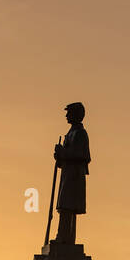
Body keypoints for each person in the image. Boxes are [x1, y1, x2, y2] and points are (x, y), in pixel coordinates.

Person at [53, 102, 90, 243]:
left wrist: (63, 153)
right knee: (64, 207)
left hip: (74, 177)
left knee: (67, 207)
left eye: (69, 113)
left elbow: (82, 155)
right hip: (68, 175)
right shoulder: (71, 133)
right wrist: (60, 157)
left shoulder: (80, 134)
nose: (66, 116)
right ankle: (64, 237)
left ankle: (64, 238)